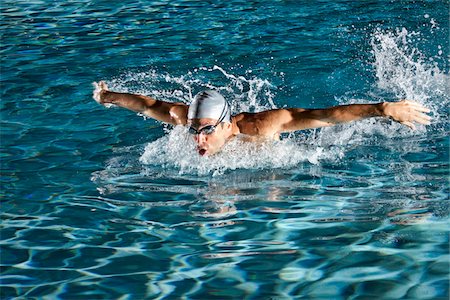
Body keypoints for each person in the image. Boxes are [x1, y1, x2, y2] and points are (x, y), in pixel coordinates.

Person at [92, 81, 431, 156]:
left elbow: (324, 117)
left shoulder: (260, 126)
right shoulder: (187, 119)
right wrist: (107, 96)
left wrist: (381, 108)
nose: (198, 139)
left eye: (206, 131)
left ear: (226, 125)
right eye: (195, 131)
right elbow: (149, 105)